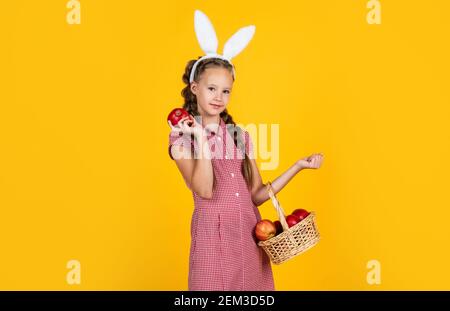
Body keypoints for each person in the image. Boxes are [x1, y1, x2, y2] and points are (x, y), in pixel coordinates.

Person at [167, 10, 324, 291]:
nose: (218, 97)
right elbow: (203, 189)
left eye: (225, 91)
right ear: (194, 88)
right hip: (213, 244)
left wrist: (298, 166)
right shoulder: (180, 138)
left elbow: (257, 195)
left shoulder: (239, 136)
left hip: (249, 242)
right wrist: (201, 138)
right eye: (211, 88)